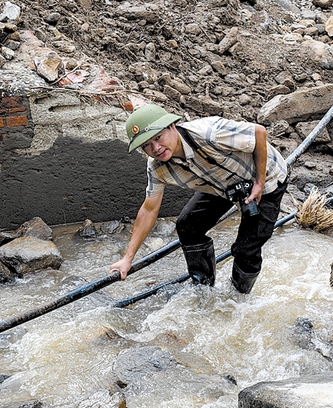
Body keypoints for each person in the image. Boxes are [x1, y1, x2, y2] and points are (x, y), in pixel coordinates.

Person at [109, 103, 289, 294]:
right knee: (187, 225)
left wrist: (259, 183)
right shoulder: (156, 168)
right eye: (146, 145)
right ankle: (203, 289)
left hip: (266, 178)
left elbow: (258, 133)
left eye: (158, 137)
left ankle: (238, 298)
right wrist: (127, 258)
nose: (156, 148)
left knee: (245, 250)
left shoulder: (209, 133)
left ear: (172, 126)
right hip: (221, 184)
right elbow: (149, 209)